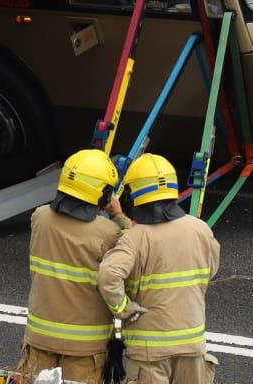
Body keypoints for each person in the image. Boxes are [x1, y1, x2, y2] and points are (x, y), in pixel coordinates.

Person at [98, 154, 220, 384]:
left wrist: (123, 308)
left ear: (134, 195)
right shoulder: (201, 230)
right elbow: (210, 269)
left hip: (149, 354)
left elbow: (108, 275)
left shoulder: (135, 239)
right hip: (192, 346)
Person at [21, 149, 133, 382]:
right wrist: (119, 215)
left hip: (39, 339)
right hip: (85, 349)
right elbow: (135, 249)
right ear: (102, 193)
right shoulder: (108, 233)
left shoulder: (39, 218)